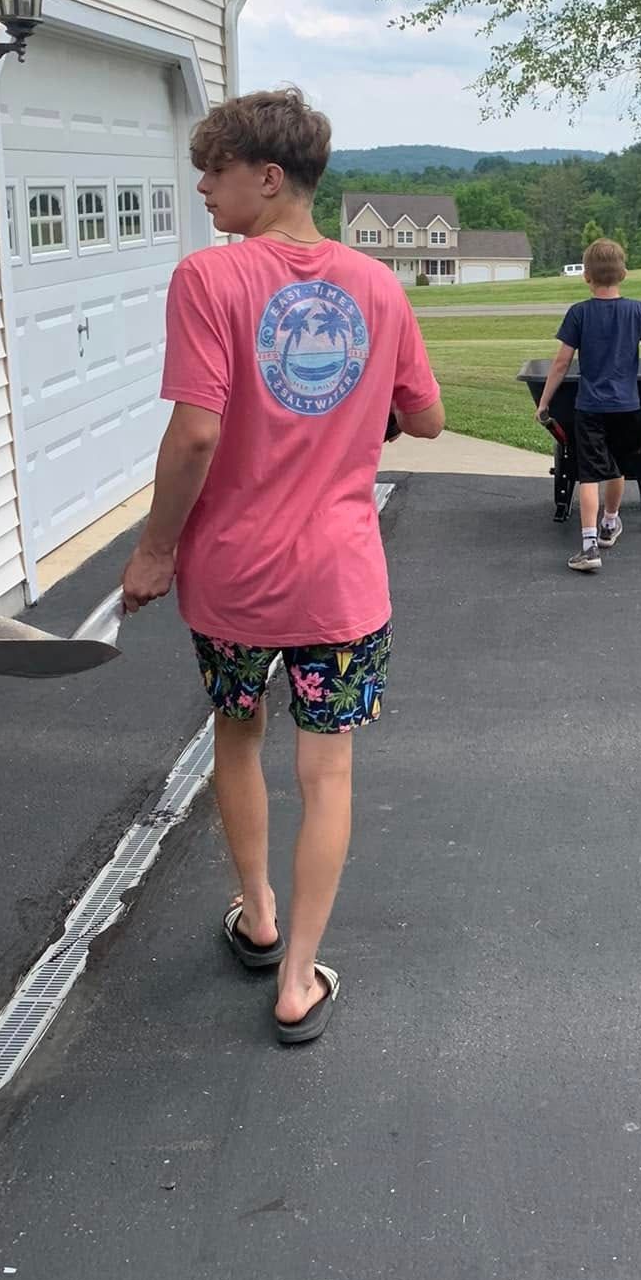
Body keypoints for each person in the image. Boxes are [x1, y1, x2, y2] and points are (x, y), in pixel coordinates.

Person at [120, 88, 444, 1045]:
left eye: (212, 172)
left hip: (232, 581)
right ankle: (297, 978)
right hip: (340, 581)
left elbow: (195, 434)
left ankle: (257, 915)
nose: (202, 188)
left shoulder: (208, 281)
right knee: (329, 772)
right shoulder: (380, 289)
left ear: (267, 177)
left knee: (238, 733)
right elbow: (424, 418)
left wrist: (154, 548)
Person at [533, 238, 641, 573]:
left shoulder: (579, 313)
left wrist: (545, 402)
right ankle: (610, 523)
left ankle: (588, 547)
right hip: (628, 407)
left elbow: (560, 364)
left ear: (586, 276)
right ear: (623, 274)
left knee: (588, 476)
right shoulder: (639, 310)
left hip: (589, 407)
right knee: (618, 468)